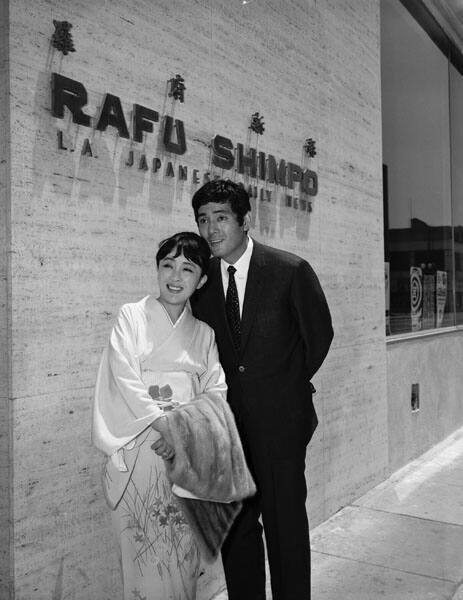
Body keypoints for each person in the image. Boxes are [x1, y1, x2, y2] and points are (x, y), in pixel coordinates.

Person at [190, 179, 334, 600]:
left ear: (245, 220)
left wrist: (284, 390)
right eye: (203, 220)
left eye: (220, 218)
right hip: (228, 433)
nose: (211, 229)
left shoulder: (289, 271)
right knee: (237, 535)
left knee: (286, 529)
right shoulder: (203, 288)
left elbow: (319, 337)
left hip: (281, 427)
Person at [92, 232, 227, 600]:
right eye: (167, 264)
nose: (175, 276)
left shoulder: (203, 334)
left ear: (201, 281)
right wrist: (165, 424)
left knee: (181, 556)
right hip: (140, 447)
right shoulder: (131, 316)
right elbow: (123, 376)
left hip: (184, 455)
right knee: (142, 552)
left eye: (187, 268)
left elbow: (216, 391)